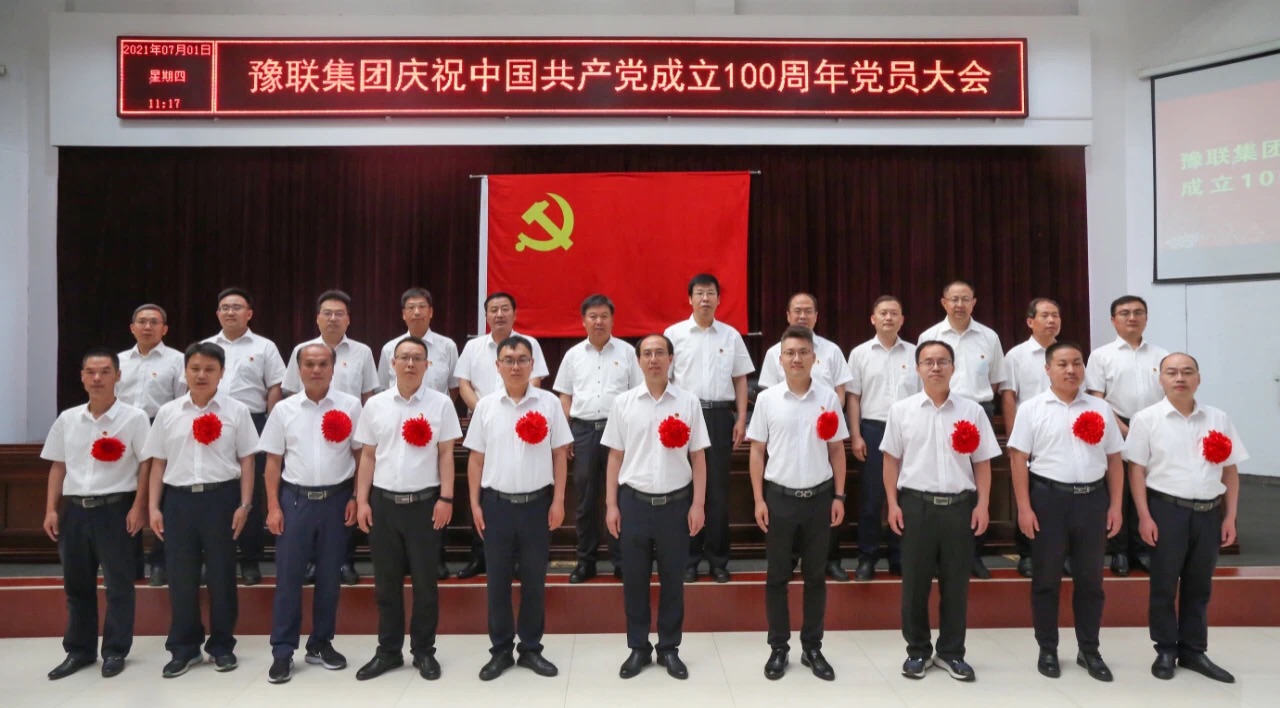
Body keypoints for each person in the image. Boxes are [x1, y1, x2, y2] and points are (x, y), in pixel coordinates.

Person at [882, 341, 1000, 682]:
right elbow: (890, 460)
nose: (935, 367)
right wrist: (892, 503)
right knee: (914, 584)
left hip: (959, 508)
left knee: (956, 584)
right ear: (917, 368)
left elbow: (983, 462)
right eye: (928, 362)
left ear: (953, 367)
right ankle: (917, 651)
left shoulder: (972, 411)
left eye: (943, 361)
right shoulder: (901, 410)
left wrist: (983, 504)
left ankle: (951, 652)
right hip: (915, 506)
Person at [1126, 352, 1246, 683]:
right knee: (1164, 585)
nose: (1180, 378)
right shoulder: (1146, 419)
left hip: (1209, 513)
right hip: (1166, 511)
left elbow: (1231, 470)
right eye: (1172, 372)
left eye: (1187, 372)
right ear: (1161, 379)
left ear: (1198, 378)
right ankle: (1165, 649)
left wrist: (1230, 517)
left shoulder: (1218, 418)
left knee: (1199, 586)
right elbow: (1136, 470)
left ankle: (1194, 650)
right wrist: (1144, 516)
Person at [1008, 342, 1124, 683]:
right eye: (1062, 364)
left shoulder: (1101, 408)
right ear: (1048, 369)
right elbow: (1018, 458)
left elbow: (1115, 459)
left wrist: (1116, 505)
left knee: (1091, 581)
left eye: (1077, 363)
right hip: (1048, 500)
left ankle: (1089, 649)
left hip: (1093, 499)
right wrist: (1024, 507)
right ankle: (1047, 648)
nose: (1071, 370)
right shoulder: (1031, 408)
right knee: (1046, 580)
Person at [143, 341, 259, 678]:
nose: (201, 375)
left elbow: (247, 460)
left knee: (222, 576)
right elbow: (157, 462)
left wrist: (245, 504)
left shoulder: (236, 411)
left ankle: (222, 646)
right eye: (195, 368)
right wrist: (153, 506)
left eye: (209, 369)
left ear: (222, 373)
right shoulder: (168, 412)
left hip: (221, 500)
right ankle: (184, 648)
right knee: (181, 577)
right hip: (178, 502)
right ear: (185, 372)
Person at [352, 336, 462, 681]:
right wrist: (362, 500)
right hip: (383, 506)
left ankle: (424, 651)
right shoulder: (376, 405)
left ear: (428, 365)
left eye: (417, 358)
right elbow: (368, 456)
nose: (410, 364)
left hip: (425, 506)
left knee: (426, 585)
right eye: (404, 358)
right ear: (393, 363)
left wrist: (446, 499)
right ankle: (388, 651)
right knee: (386, 585)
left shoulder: (441, 404)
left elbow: (446, 454)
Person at [602, 334, 709, 680]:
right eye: (647, 354)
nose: (653, 359)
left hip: (676, 506)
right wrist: (611, 505)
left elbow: (698, 456)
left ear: (671, 358)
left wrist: (698, 504)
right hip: (633, 504)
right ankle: (638, 648)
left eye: (660, 353)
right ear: (638, 361)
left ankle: (669, 648)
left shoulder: (688, 402)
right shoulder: (623, 403)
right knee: (634, 581)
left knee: (673, 581)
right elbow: (614, 456)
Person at [464, 336, 571, 681]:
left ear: (532, 365)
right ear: (498, 366)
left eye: (522, 359)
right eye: (508, 360)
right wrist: (474, 504)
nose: (515, 366)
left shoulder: (549, 403)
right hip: (496, 506)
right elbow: (475, 459)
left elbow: (560, 454)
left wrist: (558, 500)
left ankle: (530, 648)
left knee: (534, 581)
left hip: (537, 506)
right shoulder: (486, 406)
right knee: (496, 582)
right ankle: (500, 650)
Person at [42, 347, 151, 680]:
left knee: (119, 585)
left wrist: (139, 506)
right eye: (90, 372)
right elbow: (58, 466)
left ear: (118, 376)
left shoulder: (134, 418)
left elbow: (147, 465)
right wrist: (51, 509)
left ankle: (115, 650)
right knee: (76, 585)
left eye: (104, 372)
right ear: (82, 377)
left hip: (115, 509)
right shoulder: (68, 418)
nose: (97, 378)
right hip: (75, 511)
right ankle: (79, 650)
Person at [259, 343, 364, 684]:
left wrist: (356, 497)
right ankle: (282, 651)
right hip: (295, 501)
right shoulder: (283, 410)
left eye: (322, 364)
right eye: (309, 364)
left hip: (337, 500)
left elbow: (361, 456)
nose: (316, 370)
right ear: (299, 369)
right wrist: (273, 506)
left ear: (333, 368)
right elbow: (272, 462)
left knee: (330, 577)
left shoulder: (351, 406)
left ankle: (320, 643)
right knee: (289, 579)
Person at [748, 326, 848, 681]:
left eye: (803, 352)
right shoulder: (768, 399)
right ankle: (779, 647)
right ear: (780, 359)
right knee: (777, 576)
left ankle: (812, 647)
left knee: (815, 576)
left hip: (819, 498)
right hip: (779, 499)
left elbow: (836, 450)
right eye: (790, 353)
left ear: (813, 358)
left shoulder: (828, 398)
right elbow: (757, 452)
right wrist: (759, 499)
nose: (796, 358)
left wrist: (839, 495)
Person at [283, 290, 377, 588]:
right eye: (327, 313)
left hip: (350, 433)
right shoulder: (302, 350)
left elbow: (368, 395)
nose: (333, 318)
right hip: (309, 430)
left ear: (348, 319)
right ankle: (313, 561)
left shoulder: (362, 352)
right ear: (317, 318)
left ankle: (345, 560)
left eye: (339, 314)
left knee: (345, 500)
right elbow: (290, 393)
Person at [454, 292, 550, 580]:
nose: (499, 314)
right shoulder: (473, 347)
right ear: (486, 315)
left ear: (514, 314)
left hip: (525, 422)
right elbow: (463, 384)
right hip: (485, 422)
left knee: (516, 483)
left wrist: (515, 409)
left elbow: (535, 379)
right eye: (493, 310)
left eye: (504, 309)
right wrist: (486, 410)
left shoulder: (529, 344)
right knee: (486, 488)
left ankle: (519, 560)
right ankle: (479, 556)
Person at [665, 273, 754, 583]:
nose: (705, 298)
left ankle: (717, 560)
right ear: (689, 299)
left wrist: (740, 418)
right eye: (700, 293)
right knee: (685, 489)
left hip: (718, 417)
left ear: (719, 299)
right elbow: (665, 380)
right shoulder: (674, 334)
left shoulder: (731, 336)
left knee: (717, 491)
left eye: (711, 293)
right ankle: (688, 560)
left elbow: (740, 379)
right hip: (683, 417)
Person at [758, 294, 854, 581]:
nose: (802, 315)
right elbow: (768, 393)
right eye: (797, 311)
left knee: (824, 504)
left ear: (816, 316)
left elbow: (840, 391)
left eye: (808, 310)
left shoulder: (831, 350)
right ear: (788, 315)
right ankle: (787, 561)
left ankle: (829, 561)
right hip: (786, 427)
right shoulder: (775, 352)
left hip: (822, 425)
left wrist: (826, 414)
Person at [917, 280, 1006, 579]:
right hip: (939, 410)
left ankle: (973, 555)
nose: (959, 305)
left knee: (977, 483)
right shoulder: (929, 336)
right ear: (944, 303)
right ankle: (939, 556)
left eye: (965, 299)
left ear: (973, 302)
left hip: (978, 410)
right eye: (953, 299)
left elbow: (995, 381)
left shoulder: (989, 337)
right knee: (944, 480)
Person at [554, 294, 642, 583]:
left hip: (620, 433)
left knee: (620, 497)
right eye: (593, 316)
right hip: (583, 431)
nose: (599, 321)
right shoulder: (573, 355)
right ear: (583, 321)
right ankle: (586, 561)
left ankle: (622, 561)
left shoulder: (628, 353)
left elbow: (638, 395)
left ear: (612, 320)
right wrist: (566, 432)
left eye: (604, 316)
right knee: (586, 499)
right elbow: (565, 396)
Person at [202, 287, 286, 586]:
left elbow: (275, 386)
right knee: (216, 491)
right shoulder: (206, 346)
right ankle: (214, 558)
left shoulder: (265, 347)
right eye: (225, 307)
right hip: (212, 422)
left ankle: (250, 560)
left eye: (237, 307)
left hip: (254, 421)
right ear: (217, 313)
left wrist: (272, 425)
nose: (230, 312)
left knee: (251, 492)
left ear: (249, 314)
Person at [1086, 295, 1168, 576]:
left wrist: (1148, 430)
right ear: (1113, 320)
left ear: (1146, 318)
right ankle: (1119, 551)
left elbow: (1169, 395)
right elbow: (1097, 398)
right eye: (1124, 313)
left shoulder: (1161, 355)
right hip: (1117, 426)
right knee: (1119, 492)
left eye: (1138, 312)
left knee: (1146, 490)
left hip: (1154, 428)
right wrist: (1124, 429)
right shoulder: (1100, 356)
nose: (1132, 318)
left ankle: (1142, 550)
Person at [846, 295, 919, 581]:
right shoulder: (860, 354)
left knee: (905, 496)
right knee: (871, 499)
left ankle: (900, 556)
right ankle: (867, 557)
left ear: (902, 320)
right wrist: (856, 435)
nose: (889, 318)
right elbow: (854, 398)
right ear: (873, 319)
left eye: (894, 313)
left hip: (909, 430)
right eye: (883, 313)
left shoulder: (915, 353)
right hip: (873, 429)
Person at [117, 303, 186, 587]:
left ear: (164, 329)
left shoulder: (178, 360)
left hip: (162, 427)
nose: (147, 327)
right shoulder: (118, 361)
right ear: (132, 327)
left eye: (154, 322)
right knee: (125, 494)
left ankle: (160, 562)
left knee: (162, 497)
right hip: (124, 430)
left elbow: (183, 402)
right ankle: (129, 562)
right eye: (142, 322)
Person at [999, 298, 1062, 578]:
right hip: (1030, 433)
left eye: (1055, 315)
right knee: (1027, 495)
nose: (1051, 321)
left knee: (1060, 496)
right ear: (1030, 321)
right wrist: (1014, 438)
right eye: (1045, 315)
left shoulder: (1067, 353)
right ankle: (1027, 554)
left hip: (1060, 433)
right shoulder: (1017, 355)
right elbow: (1009, 396)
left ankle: (1059, 554)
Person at [378, 287, 459, 401]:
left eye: (422, 306)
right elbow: (383, 387)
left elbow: (454, 387)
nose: (417, 312)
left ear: (430, 312)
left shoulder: (448, 346)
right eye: (411, 307)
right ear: (404, 314)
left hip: (435, 410)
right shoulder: (389, 348)